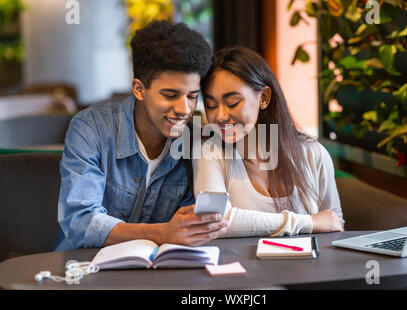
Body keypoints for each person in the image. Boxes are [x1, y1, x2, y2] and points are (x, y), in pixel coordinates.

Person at [55, 21, 228, 251]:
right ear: (139, 89)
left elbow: (189, 224)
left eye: (192, 96)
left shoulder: (195, 141)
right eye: (170, 95)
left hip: (156, 271)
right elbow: (80, 222)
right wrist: (163, 233)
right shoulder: (91, 128)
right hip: (84, 268)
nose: (184, 109)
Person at [193, 47, 344, 238]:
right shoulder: (211, 152)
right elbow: (215, 220)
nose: (220, 116)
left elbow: (334, 222)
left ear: (263, 98)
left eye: (232, 103)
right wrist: (308, 222)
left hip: (306, 267)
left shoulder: (313, 153)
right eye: (211, 106)